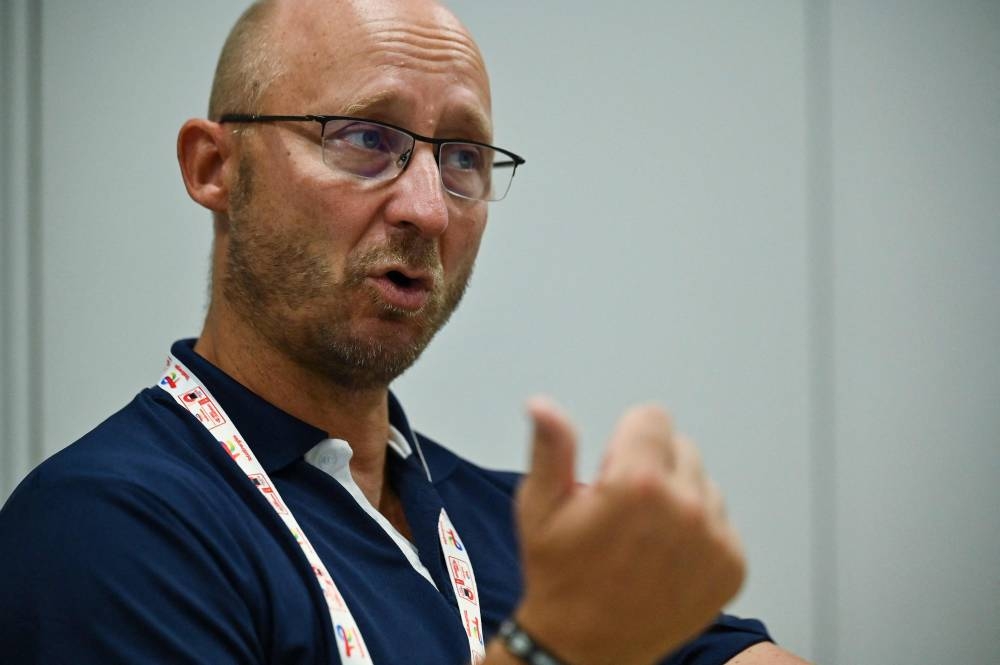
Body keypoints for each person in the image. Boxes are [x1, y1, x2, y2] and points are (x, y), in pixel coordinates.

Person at [0, 1, 809, 663]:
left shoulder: (518, 527)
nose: (427, 207)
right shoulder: (103, 527)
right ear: (216, 167)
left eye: (462, 156)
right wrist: (549, 649)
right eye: (365, 139)